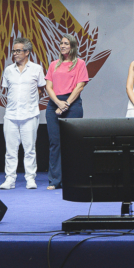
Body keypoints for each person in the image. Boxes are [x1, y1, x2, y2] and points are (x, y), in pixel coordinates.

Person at [0, 37, 46, 190]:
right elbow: (8, 90)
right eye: (13, 51)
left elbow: (41, 89)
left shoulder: (36, 69)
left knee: (29, 149)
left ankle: (30, 179)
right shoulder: (8, 70)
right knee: (10, 150)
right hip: (11, 115)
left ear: (27, 52)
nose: (14, 53)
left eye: (18, 51)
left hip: (30, 114)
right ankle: (9, 179)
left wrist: (30, 102)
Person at [45, 34, 89, 190]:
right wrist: (58, 103)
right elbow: (48, 87)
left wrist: (66, 104)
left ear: (72, 46)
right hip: (54, 105)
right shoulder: (54, 65)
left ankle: (73, 179)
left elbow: (80, 86)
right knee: (55, 143)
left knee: (72, 144)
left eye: (66, 43)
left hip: (73, 104)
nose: (62, 45)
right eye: (61, 43)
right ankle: (55, 180)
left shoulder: (80, 64)